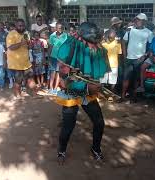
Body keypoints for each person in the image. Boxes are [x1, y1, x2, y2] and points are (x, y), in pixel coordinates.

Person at [54, 22, 108, 164]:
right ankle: (61, 151)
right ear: (82, 39)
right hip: (71, 93)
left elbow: (95, 73)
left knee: (99, 123)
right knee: (68, 125)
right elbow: (64, 84)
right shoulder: (69, 48)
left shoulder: (95, 49)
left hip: (88, 92)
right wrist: (88, 88)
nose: (94, 45)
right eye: (91, 42)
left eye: (95, 42)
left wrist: (97, 85)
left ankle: (95, 149)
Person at [120, 13, 153, 103]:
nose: (138, 21)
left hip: (139, 59)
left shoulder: (149, 33)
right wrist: (124, 55)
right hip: (129, 58)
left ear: (144, 21)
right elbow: (123, 42)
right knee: (126, 78)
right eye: (137, 19)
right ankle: (123, 96)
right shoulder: (130, 30)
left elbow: (150, 47)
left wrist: (144, 56)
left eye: (140, 20)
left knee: (136, 79)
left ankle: (133, 97)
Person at [6, 19, 37, 99]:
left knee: (30, 77)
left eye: (23, 25)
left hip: (26, 61)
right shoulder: (11, 34)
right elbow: (11, 47)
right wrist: (21, 43)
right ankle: (18, 95)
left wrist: (30, 44)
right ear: (16, 26)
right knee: (18, 80)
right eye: (20, 25)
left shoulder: (26, 34)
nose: (22, 27)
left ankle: (34, 94)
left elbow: (29, 46)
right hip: (16, 63)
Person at [100, 29, 122, 94]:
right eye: (110, 37)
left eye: (114, 36)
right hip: (105, 65)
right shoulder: (103, 44)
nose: (112, 38)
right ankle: (102, 93)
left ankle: (111, 94)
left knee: (113, 81)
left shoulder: (117, 44)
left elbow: (119, 54)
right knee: (102, 81)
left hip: (114, 65)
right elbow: (110, 48)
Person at [48, 22, 67, 95]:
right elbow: (50, 47)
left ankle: (55, 88)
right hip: (53, 57)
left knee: (58, 72)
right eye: (59, 28)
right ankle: (50, 88)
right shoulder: (52, 36)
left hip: (61, 58)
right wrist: (49, 57)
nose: (60, 29)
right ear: (55, 28)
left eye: (61, 28)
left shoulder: (65, 36)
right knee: (52, 72)